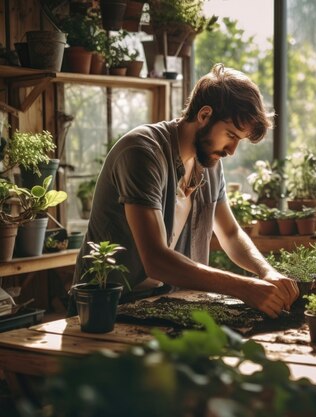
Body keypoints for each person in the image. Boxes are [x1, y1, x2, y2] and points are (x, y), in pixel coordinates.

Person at [71, 64, 298, 318]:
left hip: (160, 305)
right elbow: (156, 259)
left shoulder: (209, 162)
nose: (232, 150)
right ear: (204, 115)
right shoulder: (143, 152)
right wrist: (243, 287)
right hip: (105, 310)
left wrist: (267, 272)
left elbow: (231, 233)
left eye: (238, 141)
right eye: (230, 135)